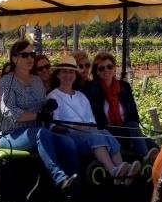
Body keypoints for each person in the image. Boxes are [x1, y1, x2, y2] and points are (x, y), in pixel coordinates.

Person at [0, 40, 79, 191]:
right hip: (11, 135)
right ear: (14, 58)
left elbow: (42, 109)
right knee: (40, 134)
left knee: (68, 142)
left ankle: (74, 185)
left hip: (37, 132)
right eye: (25, 55)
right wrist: (37, 115)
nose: (30, 59)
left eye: (32, 55)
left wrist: (48, 109)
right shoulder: (7, 81)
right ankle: (60, 179)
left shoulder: (37, 81)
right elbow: (8, 112)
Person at [48, 54, 140, 184]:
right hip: (69, 135)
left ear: (75, 75)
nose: (68, 76)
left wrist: (89, 127)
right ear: (58, 75)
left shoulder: (80, 96)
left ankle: (122, 169)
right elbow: (53, 126)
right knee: (94, 136)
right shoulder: (53, 96)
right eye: (64, 72)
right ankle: (112, 170)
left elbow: (91, 120)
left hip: (87, 132)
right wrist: (74, 127)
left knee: (104, 132)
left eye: (71, 72)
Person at [84, 51, 158, 163]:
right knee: (134, 129)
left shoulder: (124, 87)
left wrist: (132, 135)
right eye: (101, 68)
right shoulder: (93, 90)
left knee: (155, 147)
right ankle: (144, 159)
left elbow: (133, 115)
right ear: (97, 72)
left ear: (114, 69)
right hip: (107, 132)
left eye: (109, 67)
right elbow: (97, 121)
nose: (106, 70)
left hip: (128, 131)